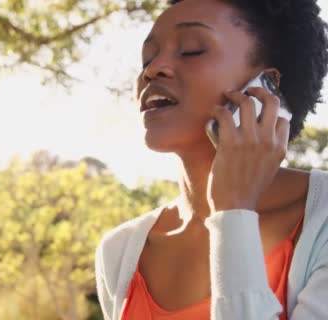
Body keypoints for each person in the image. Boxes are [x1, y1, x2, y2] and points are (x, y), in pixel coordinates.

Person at [94, 0, 328, 319]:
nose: (152, 69)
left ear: (267, 87)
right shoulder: (120, 251)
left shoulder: (322, 220)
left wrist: (234, 210)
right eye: (147, 57)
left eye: (191, 50)